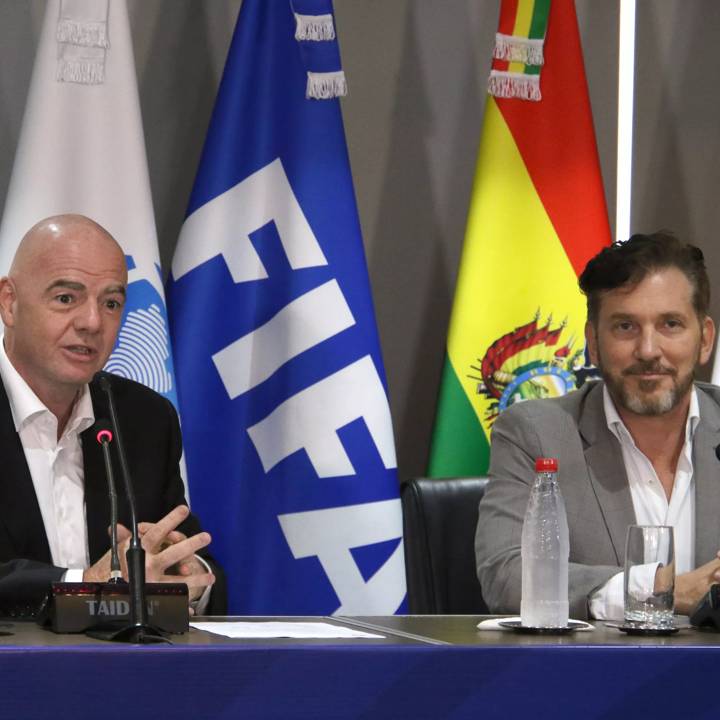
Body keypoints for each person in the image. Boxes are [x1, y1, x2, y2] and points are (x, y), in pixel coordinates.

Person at [476, 231, 720, 620]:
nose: (648, 350)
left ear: (705, 339)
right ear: (593, 341)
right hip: (595, 677)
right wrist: (661, 590)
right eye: (625, 327)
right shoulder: (537, 434)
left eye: (670, 324)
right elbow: (507, 575)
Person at [0, 214, 224, 616]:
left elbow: (185, 554)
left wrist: (185, 576)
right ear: (9, 303)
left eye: (111, 303)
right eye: (66, 298)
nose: (91, 322)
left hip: (117, 672)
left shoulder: (143, 418)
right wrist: (84, 587)